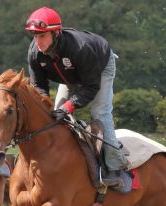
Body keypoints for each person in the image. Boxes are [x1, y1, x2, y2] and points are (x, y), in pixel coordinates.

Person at [25, 6, 129, 187]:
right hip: (71, 74)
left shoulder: (80, 48)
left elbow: (91, 86)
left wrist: (69, 107)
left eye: (42, 36)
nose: (38, 42)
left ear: (56, 33)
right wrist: (46, 106)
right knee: (53, 115)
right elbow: (39, 86)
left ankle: (115, 167)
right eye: (35, 36)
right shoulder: (34, 53)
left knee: (99, 113)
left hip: (99, 68)